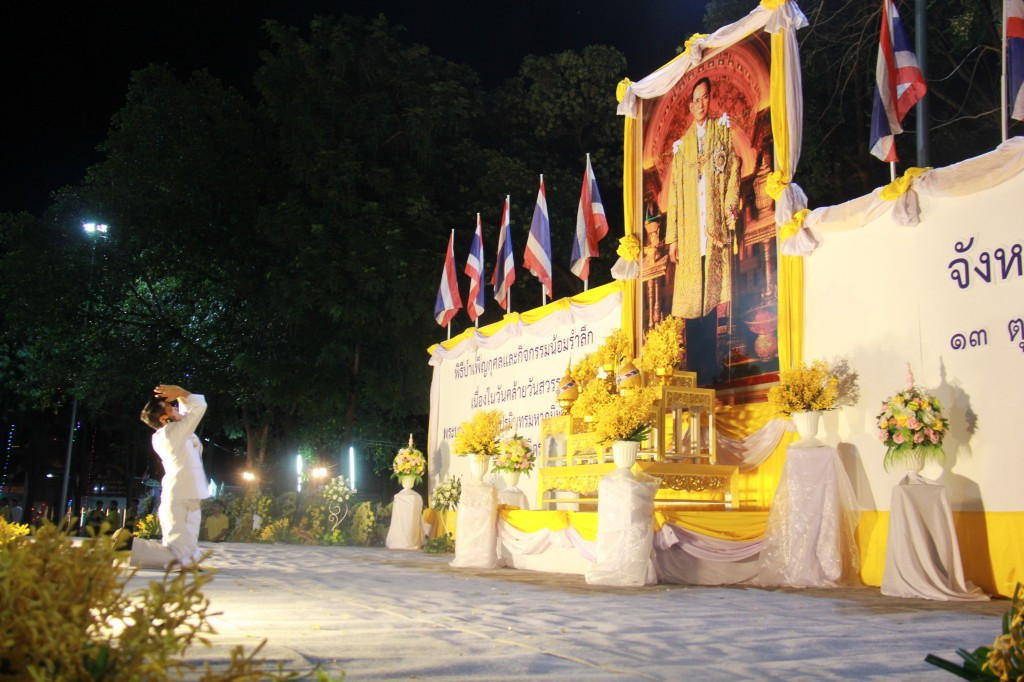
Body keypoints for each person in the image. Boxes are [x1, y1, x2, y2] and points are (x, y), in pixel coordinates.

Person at [665, 76, 741, 321]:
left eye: (704, 98)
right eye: (695, 100)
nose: (700, 104)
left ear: (710, 99)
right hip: (690, 234)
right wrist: (673, 240)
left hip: (714, 226)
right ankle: (700, 352)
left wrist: (730, 207)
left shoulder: (721, 132)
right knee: (694, 298)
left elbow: (732, 174)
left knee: (715, 293)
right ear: (690, 105)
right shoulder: (682, 147)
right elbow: (674, 195)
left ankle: (720, 355)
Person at [130, 384, 210, 568]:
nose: (176, 407)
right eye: (171, 408)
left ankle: (128, 549)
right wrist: (182, 392)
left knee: (186, 554)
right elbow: (198, 407)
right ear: (165, 419)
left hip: (186, 496)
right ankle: (127, 548)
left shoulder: (173, 432)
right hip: (180, 497)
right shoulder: (170, 434)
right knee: (180, 556)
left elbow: (186, 412)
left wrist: (180, 397)